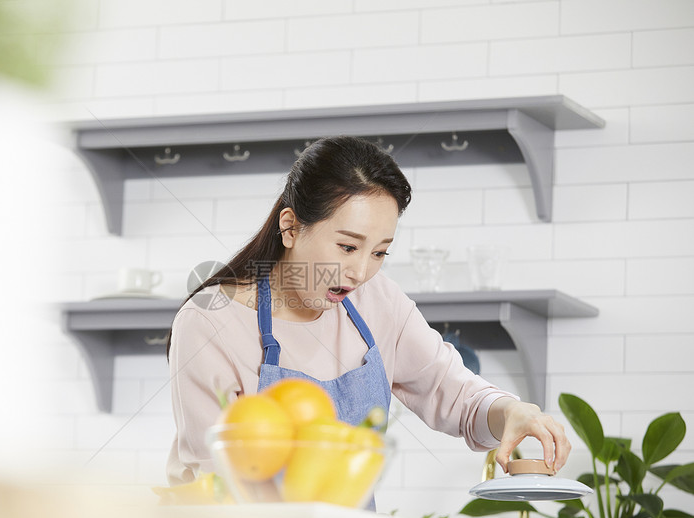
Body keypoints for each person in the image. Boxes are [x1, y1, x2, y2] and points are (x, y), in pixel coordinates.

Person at [165, 136, 570, 496]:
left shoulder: (377, 301)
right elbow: (216, 480)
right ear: (290, 227)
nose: (360, 273)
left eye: (379, 252)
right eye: (347, 247)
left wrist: (511, 412)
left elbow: (454, 392)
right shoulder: (209, 322)